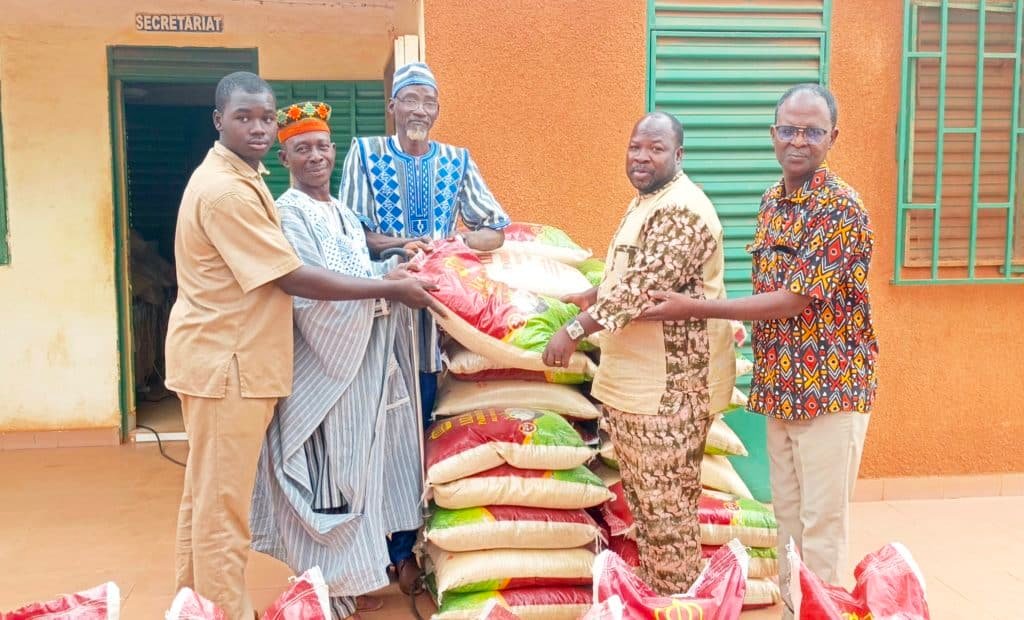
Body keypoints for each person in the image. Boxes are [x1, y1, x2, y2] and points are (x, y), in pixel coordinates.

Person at [166, 74, 440, 620]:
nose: (259, 128)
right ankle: (224, 612)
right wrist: (391, 287)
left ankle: (194, 606)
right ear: (219, 120)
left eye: (266, 117)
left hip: (237, 362)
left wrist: (386, 266)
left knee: (206, 501)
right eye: (245, 117)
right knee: (222, 512)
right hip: (229, 366)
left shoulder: (244, 180)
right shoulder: (227, 192)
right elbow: (292, 276)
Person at [643, 84, 877, 618]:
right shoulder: (773, 201)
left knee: (823, 527)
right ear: (773, 136)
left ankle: (821, 612)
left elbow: (796, 299)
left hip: (831, 391)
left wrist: (699, 309)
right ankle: (799, 610)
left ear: (832, 138)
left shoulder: (840, 208)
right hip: (781, 388)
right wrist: (744, 327)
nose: (800, 141)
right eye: (789, 130)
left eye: (812, 131)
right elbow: (775, 289)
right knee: (788, 521)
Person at [248, 101, 428, 620]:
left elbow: (358, 264)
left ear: (334, 151)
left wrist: (397, 260)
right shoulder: (289, 213)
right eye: (301, 149)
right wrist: (386, 292)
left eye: (322, 146)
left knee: (356, 475)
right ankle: (320, 593)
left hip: (362, 367)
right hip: (326, 368)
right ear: (284, 158)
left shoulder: (343, 212)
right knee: (328, 476)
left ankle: (344, 585)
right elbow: (310, 290)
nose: (314, 157)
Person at [336, 61, 510, 590]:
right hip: (378, 316)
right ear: (392, 106)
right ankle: (368, 551)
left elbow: (495, 229)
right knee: (373, 434)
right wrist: (397, 246)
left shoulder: (457, 161)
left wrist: (455, 244)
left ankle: (409, 547)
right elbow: (347, 233)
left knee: (422, 434)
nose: (418, 110)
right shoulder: (364, 154)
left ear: (437, 110)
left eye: (427, 102)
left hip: (432, 327)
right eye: (408, 99)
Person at [542, 111, 726, 594]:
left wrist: (574, 329)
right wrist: (593, 291)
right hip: (637, 388)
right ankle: (663, 599)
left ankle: (679, 603)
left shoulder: (683, 209)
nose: (642, 157)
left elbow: (642, 290)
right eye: (635, 147)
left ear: (678, 155)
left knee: (667, 519)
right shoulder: (648, 202)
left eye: (656, 148)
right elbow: (629, 277)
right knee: (647, 513)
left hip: (668, 393)